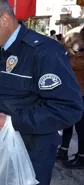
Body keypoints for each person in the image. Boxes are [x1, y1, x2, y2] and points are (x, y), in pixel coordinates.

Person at [0, 1, 83, 185]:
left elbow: (68, 108)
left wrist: (13, 122)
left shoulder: (44, 52)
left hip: (32, 154)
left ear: (5, 19)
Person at [57, 27, 84, 169]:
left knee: (81, 128)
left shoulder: (79, 56)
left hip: (81, 95)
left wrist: (68, 50)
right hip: (73, 94)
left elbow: (70, 65)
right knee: (67, 123)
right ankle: (63, 150)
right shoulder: (79, 52)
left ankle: (81, 157)